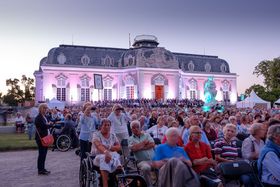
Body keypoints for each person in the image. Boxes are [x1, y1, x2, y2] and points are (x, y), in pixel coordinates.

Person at [91, 118, 121, 187]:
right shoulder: (96, 134)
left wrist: (110, 147)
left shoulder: (113, 135)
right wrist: (106, 152)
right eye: (105, 125)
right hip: (97, 156)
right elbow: (98, 145)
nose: (107, 127)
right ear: (101, 126)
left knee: (115, 155)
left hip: (111, 156)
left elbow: (119, 147)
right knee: (104, 158)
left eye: (108, 125)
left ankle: (118, 180)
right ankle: (105, 184)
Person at [128, 120, 155, 187]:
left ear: (140, 128)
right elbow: (133, 149)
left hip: (154, 159)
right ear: (131, 129)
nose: (136, 129)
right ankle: (149, 185)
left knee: (163, 165)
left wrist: (139, 147)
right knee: (146, 168)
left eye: (137, 127)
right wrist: (144, 143)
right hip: (142, 161)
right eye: (133, 127)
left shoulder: (147, 135)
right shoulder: (130, 139)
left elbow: (152, 144)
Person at [35, 103, 52, 175]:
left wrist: (48, 124)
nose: (45, 109)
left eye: (46, 108)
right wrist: (49, 125)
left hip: (45, 137)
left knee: (44, 154)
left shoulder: (43, 116)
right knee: (42, 154)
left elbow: (45, 125)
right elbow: (43, 126)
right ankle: (40, 169)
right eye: (44, 108)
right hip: (41, 138)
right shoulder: (39, 117)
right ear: (41, 109)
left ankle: (42, 168)